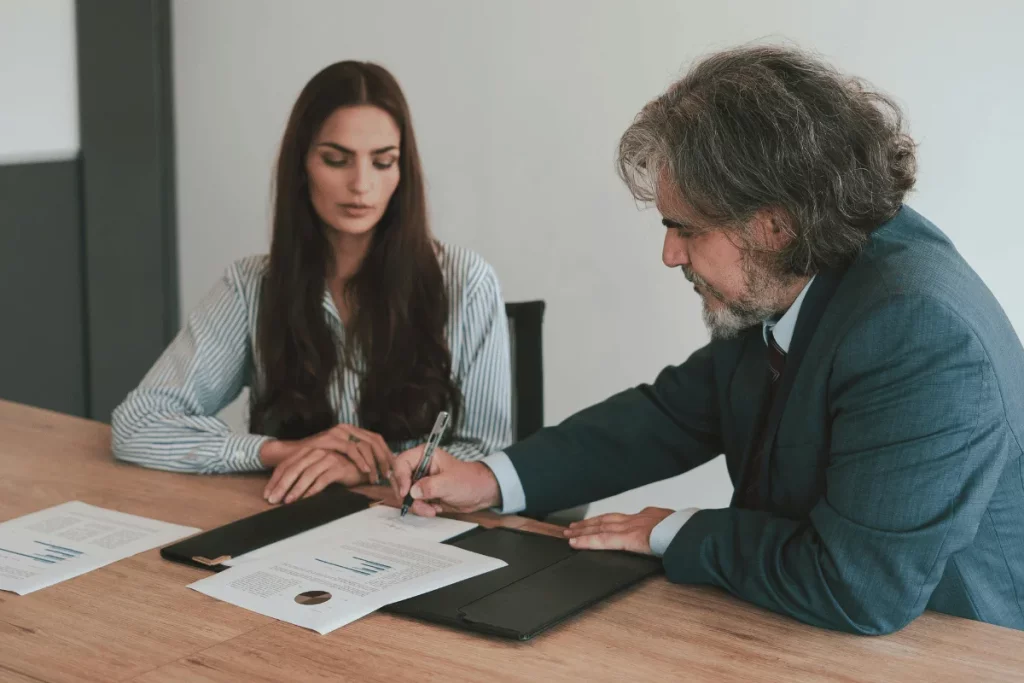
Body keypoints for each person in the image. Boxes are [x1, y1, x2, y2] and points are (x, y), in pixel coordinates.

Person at [391, 45, 1024, 635]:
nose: (670, 254)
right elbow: (672, 415)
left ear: (772, 225)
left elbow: (858, 585)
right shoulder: (794, 266)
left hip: (953, 644)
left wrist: (673, 530)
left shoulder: (919, 330)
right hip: (802, 629)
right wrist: (489, 478)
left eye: (685, 229)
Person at [112, 61, 512, 506]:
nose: (361, 184)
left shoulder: (466, 282)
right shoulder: (250, 286)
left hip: (418, 527)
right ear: (302, 165)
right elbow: (138, 425)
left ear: (403, 172)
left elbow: (488, 456)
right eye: (336, 160)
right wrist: (285, 451)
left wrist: (369, 469)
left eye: (383, 161)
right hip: (288, 518)